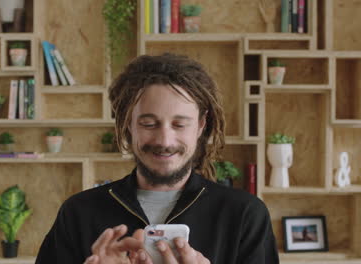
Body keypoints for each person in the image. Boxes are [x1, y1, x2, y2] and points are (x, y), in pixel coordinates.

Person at [35, 53, 279, 264]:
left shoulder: (245, 214)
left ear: (201, 125)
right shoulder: (78, 212)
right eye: (148, 123)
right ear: (128, 124)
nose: (164, 140)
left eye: (179, 124)